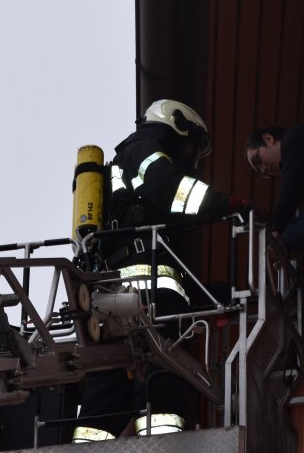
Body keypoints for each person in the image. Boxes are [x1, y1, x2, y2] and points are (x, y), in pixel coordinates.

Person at [72, 99, 245, 442]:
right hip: (148, 293)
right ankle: (165, 443)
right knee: (164, 371)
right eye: (193, 145)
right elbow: (170, 188)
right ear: (177, 124)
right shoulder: (143, 150)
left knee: (110, 383)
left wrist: (222, 293)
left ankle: (86, 447)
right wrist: (226, 205)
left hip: (112, 294)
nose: (192, 158)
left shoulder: (122, 169)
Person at [245, 124, 304, 277]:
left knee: (290, 233)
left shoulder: (295, 137)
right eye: (260, 172)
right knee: (297, 231)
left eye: (258, 160)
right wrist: (301, 271)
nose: (263, 169)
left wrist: (276, 230)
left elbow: (290, 186)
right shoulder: (303, 175)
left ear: (269, 139)